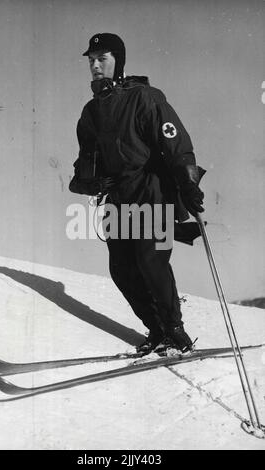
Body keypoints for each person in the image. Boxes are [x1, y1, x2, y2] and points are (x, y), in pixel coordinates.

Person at [70, 33, 205, 354]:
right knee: (121, 269)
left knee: (150, 260)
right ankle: (157, 330)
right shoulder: (91, 111)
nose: (95, 65)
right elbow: (86, 159)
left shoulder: (145, 97)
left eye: (102, 58)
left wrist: (188, 183)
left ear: (118, 61)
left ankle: (176, 332)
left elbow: (175, 142)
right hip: (118, 198)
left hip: (152, 191)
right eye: (91, 60)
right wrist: (90, 182)